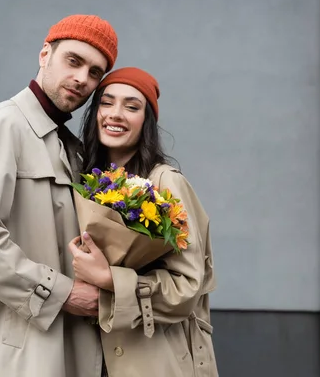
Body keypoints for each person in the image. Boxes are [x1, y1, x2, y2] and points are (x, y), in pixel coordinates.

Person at [0, 14, 118, 377]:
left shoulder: (73, 148)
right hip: (13, 353)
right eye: (73, 61)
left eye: (94, 73)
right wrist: (64, 294)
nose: (82, 79)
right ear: (44, 55)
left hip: (69, 346)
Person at [69, 67, 219, 376]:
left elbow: (187, 288)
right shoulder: (82, 181)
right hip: (91, 356)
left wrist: (109, 279)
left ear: (146, 121)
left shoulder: (165, 182)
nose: (116, 114)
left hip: (154, 360)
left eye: (132, 107)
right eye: (106, 103)